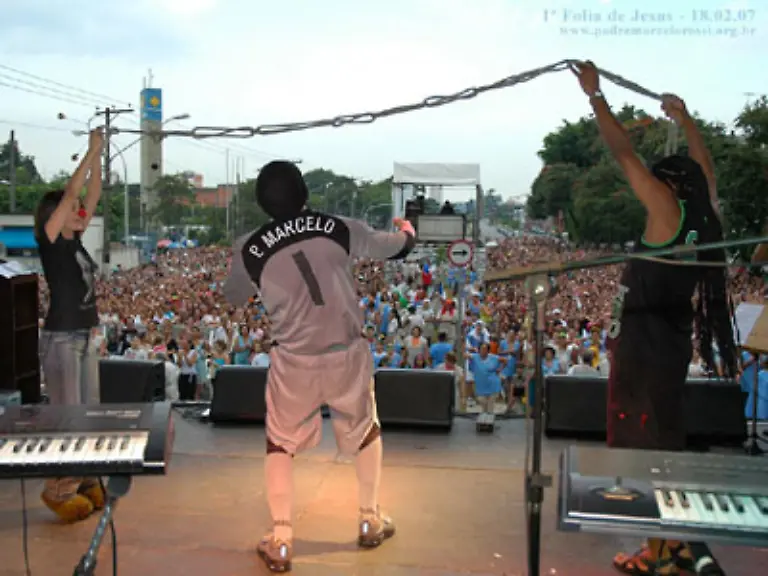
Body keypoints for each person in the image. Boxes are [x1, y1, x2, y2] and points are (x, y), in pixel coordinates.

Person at [573, 61, 738, 575]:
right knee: (662, 437)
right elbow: (703, 162)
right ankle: (669, 546)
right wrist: (684, 118)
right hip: (672, 340)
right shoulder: (703, 211)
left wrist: (596, 97)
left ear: (668, 186)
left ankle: (671, 554)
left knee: (640, 447)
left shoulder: (666, 211)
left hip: (642, 346)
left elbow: (625, 155)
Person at [223, 160, 415, 573]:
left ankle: (282, 538)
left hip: (294, 359)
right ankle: (369, 519)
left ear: (262, 203)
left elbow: (235, 296)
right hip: (346, 352)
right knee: (366, 431)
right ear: (305, 193)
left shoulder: (249, 247)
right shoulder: (339, 226)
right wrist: (408, 229)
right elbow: (396, 246)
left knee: (280, 444)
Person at [36, 128, 107, 522]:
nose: (82, 210)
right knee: (67, 417)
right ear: (56, 217)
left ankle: (84, 478)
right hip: (61, 339)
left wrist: (100, 157)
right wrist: (90, 150)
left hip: (83, 335)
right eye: (74, 209)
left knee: (89, 413)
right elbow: (71, 195)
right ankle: (58, 489)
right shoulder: (50, 241)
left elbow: (90, 194)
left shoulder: (75, 241)